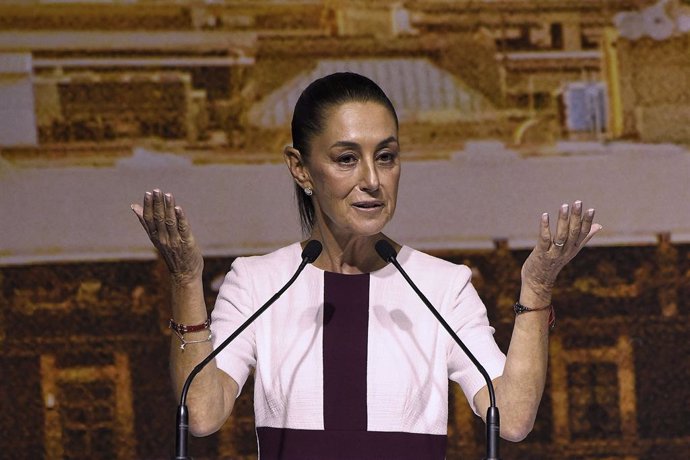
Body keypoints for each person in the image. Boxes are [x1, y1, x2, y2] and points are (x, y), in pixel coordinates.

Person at [131, 72, 602, 459]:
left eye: (387, 157)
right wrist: (185, 279)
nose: (372, 181)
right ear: (300, 168)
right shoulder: (258, 283)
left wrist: (536, 289)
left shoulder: (442, 287)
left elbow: (514, 418)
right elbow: (202, 413)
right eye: (346, 159)